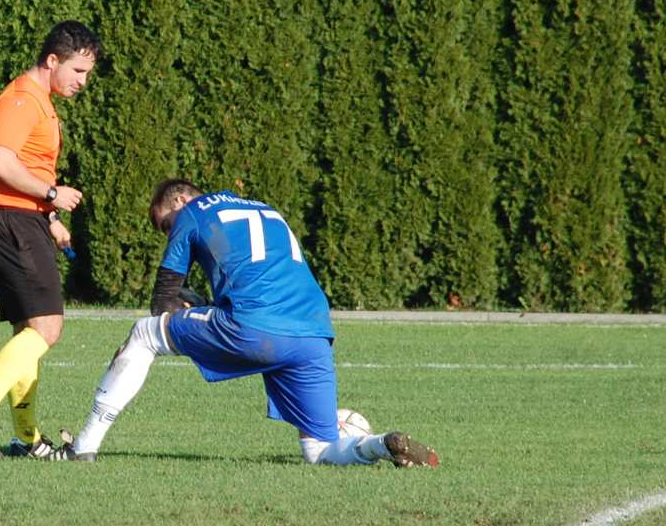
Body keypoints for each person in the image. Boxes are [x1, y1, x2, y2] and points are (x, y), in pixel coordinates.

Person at [67, 178, 440, 467]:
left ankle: (83, 447)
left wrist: (187, 303)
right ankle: (379, 443)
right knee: (318, 449)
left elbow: (161, 301)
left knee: (145, 334)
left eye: (165, 225)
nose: (168, 233)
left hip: (254, 325)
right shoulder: (264, 208)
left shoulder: (193, 211)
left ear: (180, 200)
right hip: (313, 331)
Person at [0, 20, 102, 460]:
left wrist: (49, 217)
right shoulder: (21, 99)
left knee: (29, 332)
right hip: (11, 224)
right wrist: (51, 194)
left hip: (23, 221)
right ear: (52, 60)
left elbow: (26, 168)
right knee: (48, 328)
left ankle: (27, 439)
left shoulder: (42, 103)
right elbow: (0, 162)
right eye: (77, 71)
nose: (82, 82)